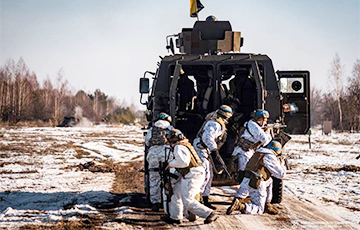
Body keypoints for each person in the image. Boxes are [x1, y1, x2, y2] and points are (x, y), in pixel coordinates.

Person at [161, 129, 218, 224]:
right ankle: (175, 217)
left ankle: (209, 214)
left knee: (188, 200)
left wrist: (170, 164)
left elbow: (184, 162)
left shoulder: (179, 147)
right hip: (191, 174)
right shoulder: (183, 145)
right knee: (176, 194)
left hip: (193, 175)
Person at [226, 141, 286, 215]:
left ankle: (267, 204)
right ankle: (241, 206)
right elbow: (281, 174)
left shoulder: (259, 152)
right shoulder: (270, 156)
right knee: (259, 209)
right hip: (257, 181)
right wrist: (282, 165)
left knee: (270, 181)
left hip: (247, 178)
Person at [193, 105, 233, 209]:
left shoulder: (217, 122)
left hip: (205, 149)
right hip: (201, 148)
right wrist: (215, 151)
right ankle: (198, 200)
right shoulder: (215, 124)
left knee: (209, 175)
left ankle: (205, 198)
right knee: (204, 174)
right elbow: (207, 137)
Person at [232, 109, 272, 183]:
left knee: (246, 173)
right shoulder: (253, 126)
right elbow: (265, 140)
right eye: (264, 120)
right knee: (246, 174)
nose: (265, 122)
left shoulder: (251, 124)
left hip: (246, 151)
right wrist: (268, 132)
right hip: (244, 152)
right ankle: (242, 193)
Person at [145, 112, 174, 211]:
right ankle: (171, 201)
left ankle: (155, 203)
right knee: (170, 178)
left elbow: (147, 142)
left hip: (153, 155)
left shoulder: (152, 129)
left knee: (154, 179)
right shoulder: (170, 128)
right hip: (166, 154)